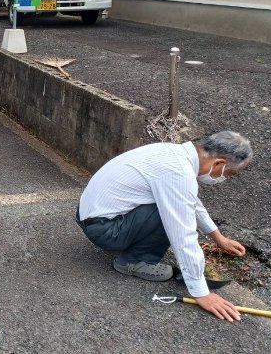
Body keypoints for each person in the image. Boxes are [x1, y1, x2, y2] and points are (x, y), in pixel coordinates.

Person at [76, 131, 252, 322]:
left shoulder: (173, 153)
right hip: (104, 229)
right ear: (218, 163)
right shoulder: (178, 171)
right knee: (169, 213)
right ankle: (134, 261)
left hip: (91, 217)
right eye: (228, 173)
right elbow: (183, 233)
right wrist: (201, 292)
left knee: (173, 205)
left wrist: (219, 237)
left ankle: (133, 245)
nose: (224, 178)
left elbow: (189, 201)